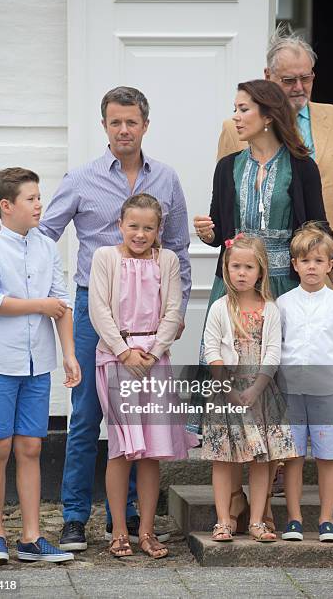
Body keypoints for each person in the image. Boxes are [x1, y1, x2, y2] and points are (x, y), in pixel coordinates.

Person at [38, 87, 191, 550]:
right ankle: (74, 518)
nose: (124, 130)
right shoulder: (82, 178)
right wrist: (56, 296)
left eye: (132, 122)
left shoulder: (165, 178)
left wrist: (177, 312)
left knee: (140, 421)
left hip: (149, 321)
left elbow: (180, 246)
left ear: (145, 124)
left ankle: (124, 520)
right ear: (104, 126)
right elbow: (46, 234)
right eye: (115, 122)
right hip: (93, 312)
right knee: (87, 416)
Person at [193, 78, 333, 533]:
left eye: (243, 109)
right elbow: (220, 225)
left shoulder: (301, 167)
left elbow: (319, 229)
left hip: (284, 287)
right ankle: (236, 499)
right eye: (235, 108)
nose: (236, 117)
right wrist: (208, 232)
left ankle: (266, 507)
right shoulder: (227, 167)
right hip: (236, 289)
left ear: (267, 114)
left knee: (277, 392)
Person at [216, 24, 333, 495]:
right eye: (288, 79)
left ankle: (329, 456)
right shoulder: (232, 139)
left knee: (311, 359)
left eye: (306, 78)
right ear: (269, 80)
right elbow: (227, 211)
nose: (298, 88)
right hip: (246, 277)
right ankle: (253, 478)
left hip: (311, 267)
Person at [0, 168, 81, 564]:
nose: (40, 204)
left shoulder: (47, 246)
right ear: (7, 206)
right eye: (32, 198)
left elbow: (61, 303)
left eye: (39, 197)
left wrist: (68, 354)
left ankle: (32, 537)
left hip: (39, 363)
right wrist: (39, 306)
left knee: (31, 447)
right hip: (1, 362)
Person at [88, 193, 197, 558]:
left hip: (154, 359)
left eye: (148, 227)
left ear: (158, 230)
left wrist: (152, 352)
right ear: (120, 225)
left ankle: (147, 530)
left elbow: (172, 308)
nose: (140, 234)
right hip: (118, 358)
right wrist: (123, 350)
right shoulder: (105, 258)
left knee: (152, 450)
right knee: (123, 447)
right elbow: (98, 308)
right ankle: (119, 529)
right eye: (133, 226)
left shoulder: (165, 260)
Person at [202, 234, 296, 543]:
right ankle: (223, 520)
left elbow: (272, 352)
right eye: (235, 266)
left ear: (261, 271)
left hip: (261, 393)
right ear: (226, 268)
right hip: (226, 393)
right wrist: (227, 388)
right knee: (224, 457)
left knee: (262, 458)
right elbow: (210, 349)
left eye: (248, 267)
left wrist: (256, 389)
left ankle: (256, 520)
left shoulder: (270, 309)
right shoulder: (219, 308)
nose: (241, 273)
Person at [278, 223, 333, 543]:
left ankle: (327, 520)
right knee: (294, 456)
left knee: (328, 456)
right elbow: (278, 343)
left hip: (327, 390)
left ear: (329, 265)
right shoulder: (283, 303)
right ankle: (294, 519)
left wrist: (327, 370)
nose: (312, 267)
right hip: (291, 390)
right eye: (305, 261)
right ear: (295, 265)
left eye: (319, 261)